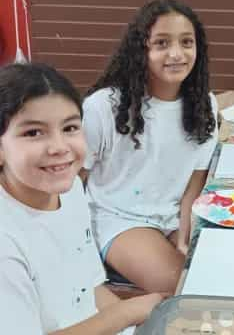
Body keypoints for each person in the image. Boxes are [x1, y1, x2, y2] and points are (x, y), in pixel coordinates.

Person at [0, 63, 163, 334]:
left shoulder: (72, 189)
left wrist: (133, 326)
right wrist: (127, 313)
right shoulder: (6, 242)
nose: (59, 147)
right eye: (33, 132)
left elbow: (90, 289)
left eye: (70, 128)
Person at [82, 0, 218, 294]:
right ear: (140, 49)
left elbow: (191, 189)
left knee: (217, 272)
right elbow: (72, 182)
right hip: (117, 218)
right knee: (184, 290)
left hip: (171, 217)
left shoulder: (204, 107)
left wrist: (184, 237)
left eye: (186, 42)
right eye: (161, 43)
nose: (176, 54)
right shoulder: (103, 107)